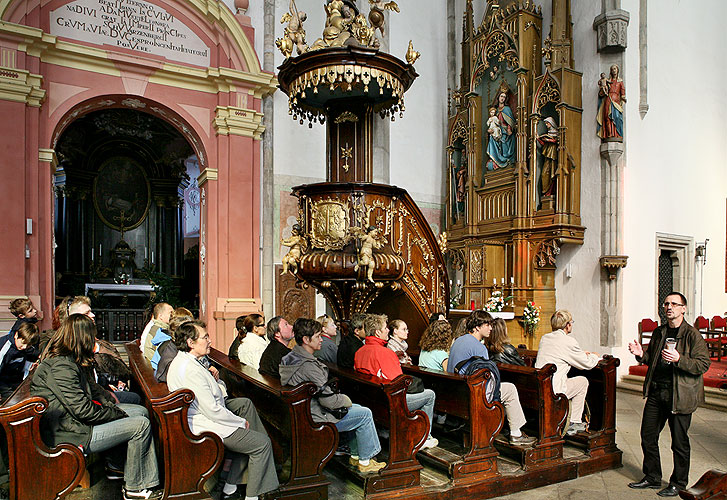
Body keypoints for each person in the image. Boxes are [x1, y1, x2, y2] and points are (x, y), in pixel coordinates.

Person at [31, 314, 162, 500]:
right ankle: (136, 488)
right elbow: (83, 411)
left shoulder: (71, 358)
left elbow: (93, 389)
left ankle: (118, 466)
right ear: (82, 337)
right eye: (92, 336)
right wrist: (115, 413)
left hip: (76, 423)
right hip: (71, 432)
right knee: (140, 425)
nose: (95, 340)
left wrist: (110, 402)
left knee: (140, 411)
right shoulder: (60, 366)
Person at [167, 321, 279, 500]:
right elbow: (212, 410)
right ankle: (254, 495)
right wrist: (240, 423)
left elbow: (214, 392)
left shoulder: (188, 360)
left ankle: (232, 485)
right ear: (191, 343)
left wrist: (217, 382)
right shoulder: (189, 369)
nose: (210, 341)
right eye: (205, 337)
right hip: (203, 423)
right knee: (261, 443)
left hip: (204, 413)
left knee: (245, 404)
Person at [627, 292, 710, 497]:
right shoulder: (659, 332)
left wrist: (679, 358)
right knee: (648, 436)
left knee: (679, 442)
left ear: (683, 308)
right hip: (657, 392)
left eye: (674, 304)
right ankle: (652, 477)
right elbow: (652, 360)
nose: (669, 307)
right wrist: (641, 355)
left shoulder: (692, 335)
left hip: (679, 395)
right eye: (666, 304)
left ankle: (679, 483)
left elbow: (703, 364)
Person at [279, 318, 386, 474]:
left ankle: (356, 456)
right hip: (316, 418)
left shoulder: (290, 357)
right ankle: (366, 460)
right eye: (317, 337)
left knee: (358, 409)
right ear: (306, 340)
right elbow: (330, 401)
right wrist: (346, 400)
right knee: (365, 413)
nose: (321, 340)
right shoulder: (308, 366)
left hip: (304, 411)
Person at [448, 310, 536, 446]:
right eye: (487, 325)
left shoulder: (459, 340)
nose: (491, 328)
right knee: (510, 389)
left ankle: (505, 426)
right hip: (472, 394)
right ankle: (516, 433)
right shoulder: (478, 347)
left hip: (456, 392)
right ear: (477, 327)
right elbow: (488, 379)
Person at [354, 314, 438, 449]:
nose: (388, 330)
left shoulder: (360, 351)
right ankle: (424, 438)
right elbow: (399, 384)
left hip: (372, 400)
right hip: (390, 402)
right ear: (377, 332)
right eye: (385, 328)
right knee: (430, 395)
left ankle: (386, 430)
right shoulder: (385, 353)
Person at [534, 311, 598, 435]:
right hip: (554, 391)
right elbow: (587, 364)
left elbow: (560, 353)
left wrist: (580, 354)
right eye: (571, 322)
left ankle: (571, 419)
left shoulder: (545, 338)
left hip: (541, 386)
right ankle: (574, 422)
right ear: (567, 325)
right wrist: (594, 356)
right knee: (583, 382)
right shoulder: (568, 341)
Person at [0, 322, 39, 400]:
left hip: (14, 379)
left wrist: (29, 367)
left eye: (28, 345)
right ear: (16, 335)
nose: (24, 347)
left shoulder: (28, 349)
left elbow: (23, 364)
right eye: (23, 343)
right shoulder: (5, 347)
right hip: (2, 380)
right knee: (11, 400)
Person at [485, 89, 516, 171]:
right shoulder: (495, 110)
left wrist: (509, 129)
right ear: (498, 97)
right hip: (497, 131)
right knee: (492, 139)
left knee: (505, 146)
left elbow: (511, 121)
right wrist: (490, 130)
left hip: (505, 132)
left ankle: (505, 160)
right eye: (501, 96)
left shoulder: (507, 109)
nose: (503, 98)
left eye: (504, 97)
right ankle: (496, 160)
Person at [597, 64, 626, 140]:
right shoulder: (608, 81)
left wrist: (623, 98)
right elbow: (601, 92)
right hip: (608, 99)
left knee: (616, 116)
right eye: (612, 69)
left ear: (617, 70)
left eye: (615, 69)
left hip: (616, 100)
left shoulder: (620, 81)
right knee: (607, 116)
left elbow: (622, 91)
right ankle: (609, 135)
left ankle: (617, 134)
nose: (614, 70)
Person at [537, 116, 558, 198]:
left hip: (553, 156)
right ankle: (546, 192)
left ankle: (550, 193)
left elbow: (557, 141)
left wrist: (549, 140)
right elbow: (543, 145)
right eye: (545, 123)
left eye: (547, 123)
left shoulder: (556, 133)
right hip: (548, 156)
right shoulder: (548, 134)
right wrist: (538, 138)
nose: (546, 125)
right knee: (544, 174)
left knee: (552, 173)